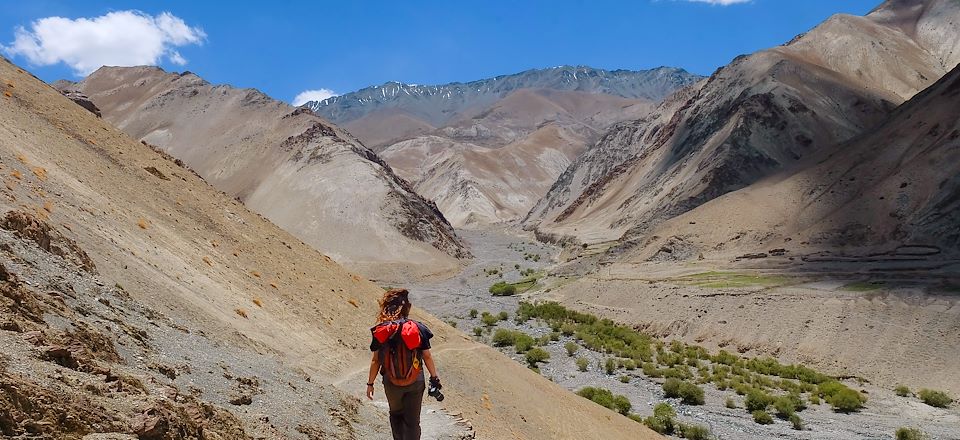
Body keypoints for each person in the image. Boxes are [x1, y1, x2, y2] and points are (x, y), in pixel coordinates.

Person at [366, 288, 440, 440]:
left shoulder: (381, 331)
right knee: (412, 422)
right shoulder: (418, 328)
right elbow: (426, 356)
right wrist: (434, 378)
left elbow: (376, 360)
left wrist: (370, 383)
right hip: (415, 381)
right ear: (408, 307)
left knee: (396, 415)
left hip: (391, 382)